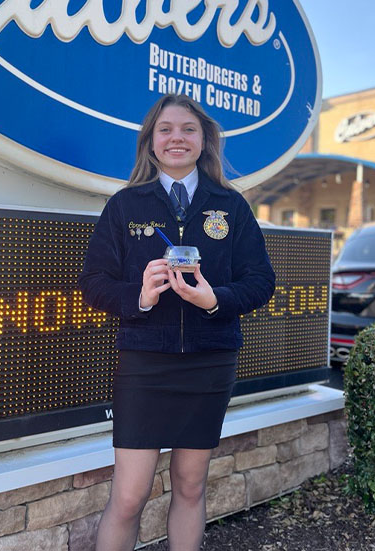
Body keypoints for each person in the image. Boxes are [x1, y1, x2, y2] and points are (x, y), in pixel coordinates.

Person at [78, 93, 275, 551]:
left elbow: (261, 281)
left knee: (190, 486)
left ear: (205, 141)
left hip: (209, 362)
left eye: (188, 129)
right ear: (150, 143)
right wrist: (140, 297)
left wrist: (214, 300)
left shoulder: (231, 205)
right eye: (165, 129)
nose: (177, 138)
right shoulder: (126, 206)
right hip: (144, 363)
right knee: (129, 495)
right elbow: (93, 283)